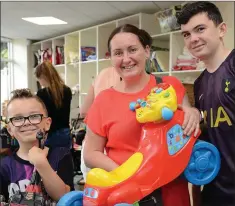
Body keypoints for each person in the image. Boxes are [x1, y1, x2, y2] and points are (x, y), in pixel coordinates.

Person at [83, 24, 201, 206]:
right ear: (111, 58)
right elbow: (91, 153)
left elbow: (185, 125)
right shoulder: (104, 100)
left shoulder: (169, 86)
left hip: (172, 193)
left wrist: (193, 114)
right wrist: (128, 174)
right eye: (118, 53)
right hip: (127, 196)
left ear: (147, 51)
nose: (126, 59)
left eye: (132, 50)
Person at [177, 2, 235, 206]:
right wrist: (196, 194)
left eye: (200, 29)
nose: (193, 39)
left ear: (222, 29)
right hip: (214, 191)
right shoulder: (200, 83)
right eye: (186, 34)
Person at [0, 88, 74, 203]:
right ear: (10, 129)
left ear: (47, 123)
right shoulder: (4, 166)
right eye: (18, 118)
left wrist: (41, 163)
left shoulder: (61, 155)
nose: (27, 122)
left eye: (34, 116)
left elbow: (64, 198)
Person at [79, 66, 121, 182]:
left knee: (94, 193)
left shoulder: (101, 74)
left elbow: (84, 111)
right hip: (116, 147)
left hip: (93, 145)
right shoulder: (132, 76)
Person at [35, 61, 72, 148]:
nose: (40, 83)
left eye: (39, 80)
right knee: (63, 160)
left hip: (50, 134)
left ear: (42, 77)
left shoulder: (41, 93)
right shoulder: (67, 90)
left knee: (49, 161)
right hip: (65, 133)